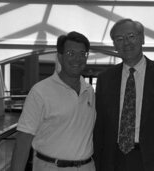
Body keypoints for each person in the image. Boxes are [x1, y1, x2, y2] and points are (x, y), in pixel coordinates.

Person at [93, 18, 154, 171]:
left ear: (142, 38)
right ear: (115, 45)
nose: (126, 42)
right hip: (113, 160)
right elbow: (100, 128)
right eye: (119, 39)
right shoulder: (105, 79)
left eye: (131, 36)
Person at [11, 31, 96, 171]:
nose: (77, 59)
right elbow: (23, 141)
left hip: (87, 167)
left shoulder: (89, 91)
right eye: (70, 53)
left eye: (82, 54)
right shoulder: (40, 92)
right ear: (60, 57)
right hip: (51, 167)